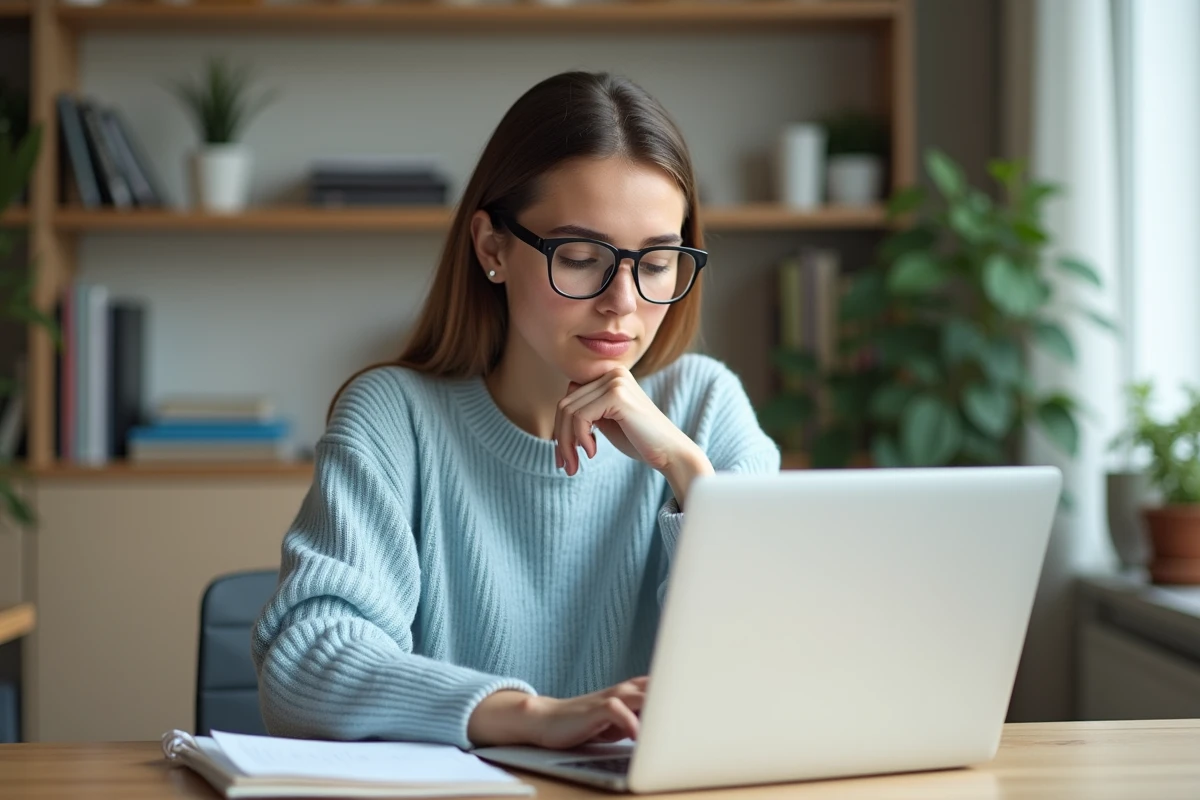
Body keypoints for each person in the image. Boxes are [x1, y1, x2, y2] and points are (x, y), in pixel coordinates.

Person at [251, 70, 780, 753]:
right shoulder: (394, 420)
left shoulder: (705, 408)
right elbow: (304, 664)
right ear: (492, 247)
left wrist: (686, 472)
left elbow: (775, 662)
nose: (623, 301)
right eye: (582, 256)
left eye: (656, 263)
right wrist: (530, 718)